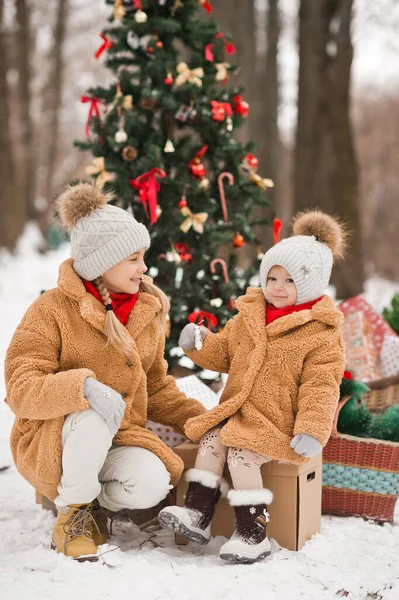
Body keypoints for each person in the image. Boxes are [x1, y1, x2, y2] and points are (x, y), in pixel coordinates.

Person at [5, 183, 205, 561]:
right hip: (55, 438)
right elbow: (20, 386)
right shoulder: (51, 311)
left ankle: (90, 501)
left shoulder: (146, 311)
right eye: (133, 258)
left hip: (119, 435)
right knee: (92, 412)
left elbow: (158, 386)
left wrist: (201, 420)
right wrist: (83, 388)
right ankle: (73, 515)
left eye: (142, 257)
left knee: (153, 482)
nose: (143, 268)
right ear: (102, 262)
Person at [159, 210, 347, 564]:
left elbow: (321, 387)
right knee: (212, 441)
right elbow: (227, 351)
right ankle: (198, 515)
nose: (277, 286)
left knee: (242, 455)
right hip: (239, 411)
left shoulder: (320, 335)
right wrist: (201, 343)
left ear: (309, 285)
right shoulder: (250, 316)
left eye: (290, 281)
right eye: (272, 277)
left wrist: (311, 429)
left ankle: (252, 533)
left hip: (278, 423)